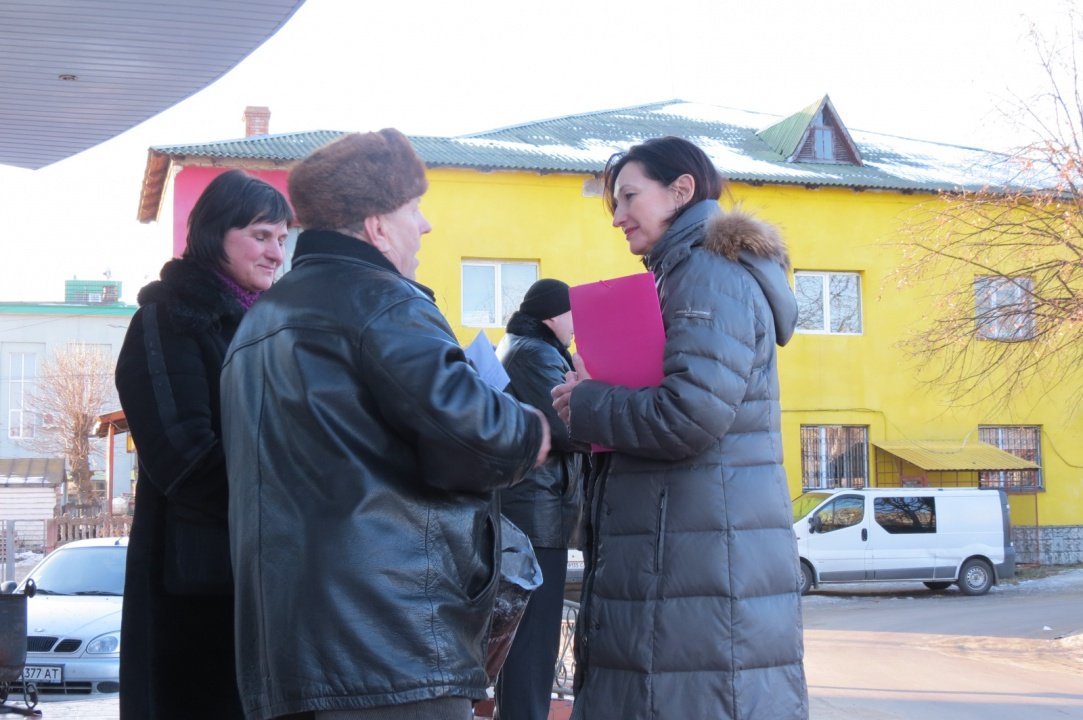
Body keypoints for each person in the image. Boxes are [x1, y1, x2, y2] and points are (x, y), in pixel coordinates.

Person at [220, 128, 551, 720]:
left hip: (283, 657)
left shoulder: (257, 324)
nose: (425, 226)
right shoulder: (385, 303)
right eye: (413, 208)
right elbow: (476, 438)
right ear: (376, 226)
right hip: (390, 649)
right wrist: (532, 428)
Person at [551, 136, 808, 720]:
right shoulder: (684, 272)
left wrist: (591, 401)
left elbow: (690, 415)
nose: (617, 216)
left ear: (681, 190)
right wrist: (593, 398)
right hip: (687, 549)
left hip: (697, 560)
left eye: (629, 197)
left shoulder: (707, 273)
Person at [114, 170, 292, 719]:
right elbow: (183, 459)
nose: (276, 253)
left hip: (261, 578)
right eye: (261, 235)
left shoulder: (265, 327)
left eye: (283, 238)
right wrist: (290, 500)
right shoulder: (168, 320)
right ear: (216, 233)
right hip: (196, 591)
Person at [493, 279, 585, 720]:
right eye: (572, 315)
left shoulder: (517, 346)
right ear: (552, 315)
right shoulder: (537, 353)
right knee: (533, 645)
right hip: (537, 514)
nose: (576, 325)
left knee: (521, 641)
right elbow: (570, 426)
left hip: (526, 511)